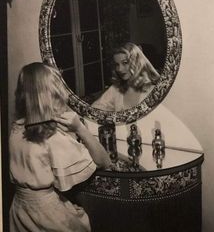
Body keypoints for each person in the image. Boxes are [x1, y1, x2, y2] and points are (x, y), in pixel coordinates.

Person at [9, 62, 111, 232]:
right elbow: (104, 162)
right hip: (45, 215)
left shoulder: (16, 128)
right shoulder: (51, 136)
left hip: (20, 208)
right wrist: (80, 128)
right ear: (51, 94)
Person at [92, 42, 160, 111]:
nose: (119, 69)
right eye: (117, 64)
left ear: (136, 62)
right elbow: (94, 110)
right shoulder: (116, 89)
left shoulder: (153, 90)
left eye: (125, 63)